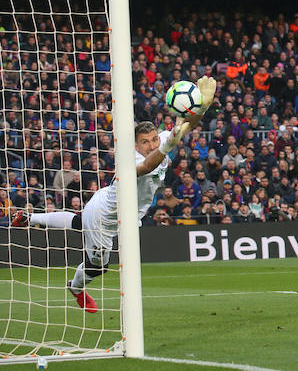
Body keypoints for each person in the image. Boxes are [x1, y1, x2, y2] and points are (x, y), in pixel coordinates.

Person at [13, 77, 217, 312]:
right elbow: (148, 166)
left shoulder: (160, 141)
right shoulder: (133, 159)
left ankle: (30, 218)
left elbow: (187, 124)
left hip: (109, 203)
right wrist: (168, 143)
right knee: (98, 266)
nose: (151, 145)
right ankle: (76, 288)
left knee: (79, 221)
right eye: (145, 142)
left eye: (153, 140)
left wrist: (204, 106)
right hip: (104, 219)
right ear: (135, 145)